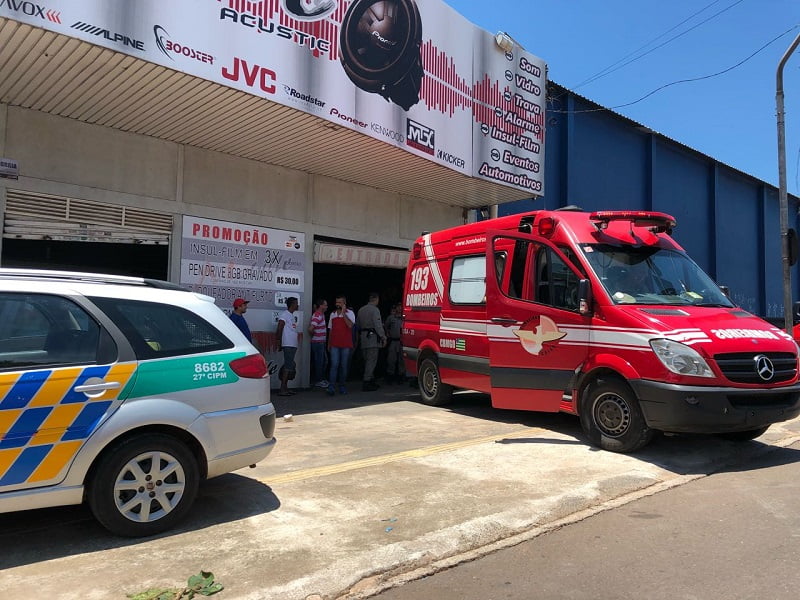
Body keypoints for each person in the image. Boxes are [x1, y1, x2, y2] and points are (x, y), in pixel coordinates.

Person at [356, 292, 386, 391]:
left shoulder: (361, 310)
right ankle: (367, 381)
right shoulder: (375, 310)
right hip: (372, 339)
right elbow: (378, 325)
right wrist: (383, 337)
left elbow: (358, 325)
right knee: (371, 361)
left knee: (366, 360)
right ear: (376, 299)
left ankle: (371, 379)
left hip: (363, 338)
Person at [327, 294, 355, 396]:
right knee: (334, 365)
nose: (337, 304)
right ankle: (331, 386)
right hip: (334, 344)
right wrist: (328, 343)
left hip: (346, 344)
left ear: (344, 303)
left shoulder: (350, 313)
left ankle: (342, 386)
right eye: (336, 302)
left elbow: (350, 325)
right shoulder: (332, 314)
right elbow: (330, 330)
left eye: (340, 302)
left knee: (343, 366)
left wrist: (343, 314)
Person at [275, 296, 299, 397]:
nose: (297, 305)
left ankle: (285, 388)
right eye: (296, 303)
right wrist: (279, 341)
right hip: (288, 344)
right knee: (288, 366)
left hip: (292, 344)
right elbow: (280, 327)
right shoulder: (285, 314)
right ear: (292, 304)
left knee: (289, 365)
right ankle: (282, 389)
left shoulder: (291, 315)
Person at [308, 298, 329, 389]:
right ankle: (319, 380)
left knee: (322, 361)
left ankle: (320, 379)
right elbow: (311, 328)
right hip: (318, 343)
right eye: (325, 305)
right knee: (320, 362)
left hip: (320, 342)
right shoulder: (318, 315)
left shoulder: (321, 315)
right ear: (321, 306)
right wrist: (315, 336)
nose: (327, 306)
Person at [384, 303, 405, 384]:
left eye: (401, 307)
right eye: (398, 307)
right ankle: (390, 375)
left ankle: (401, 376)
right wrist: (387, 333)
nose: (399, 309)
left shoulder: (404, 318)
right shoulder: (391, 318)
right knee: (391, 359)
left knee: (401, 360)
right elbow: (386, 326)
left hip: (402, 341)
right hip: (393, 341)